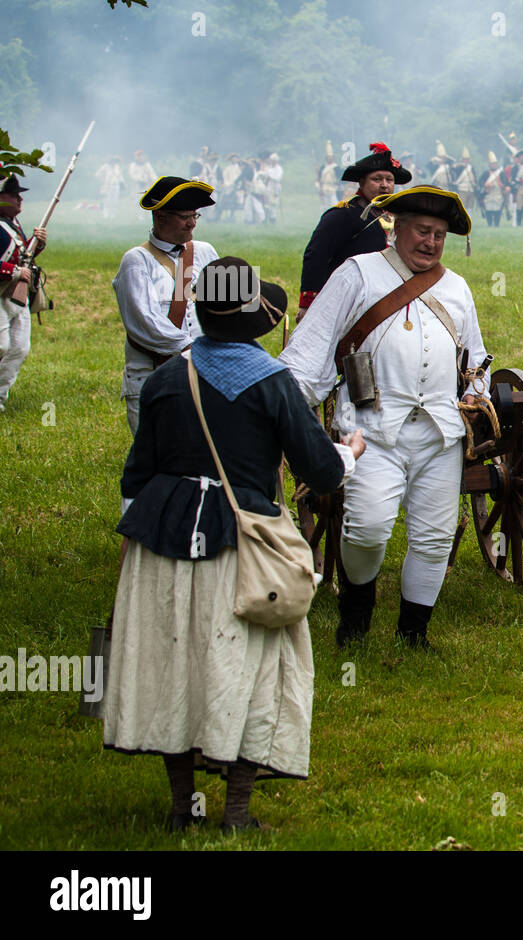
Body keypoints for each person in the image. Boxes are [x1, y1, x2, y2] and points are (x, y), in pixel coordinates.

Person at [103, 258, 362, 832]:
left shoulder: (166, 380)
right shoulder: (274, 383)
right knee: (253, 670)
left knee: (174, 667)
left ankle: (182, 809)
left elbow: (137, 476)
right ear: (254, 319)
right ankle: (236, 813)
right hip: (243, 546)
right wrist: (350, 453)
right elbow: (320, 472)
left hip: (164, 539)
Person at [280, 187, 487, 649]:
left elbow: (475, 359)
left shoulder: (456, 287)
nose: (431, 242)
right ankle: (356, 615)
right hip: (370, 431)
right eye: (422, 231)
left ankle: (413, 634)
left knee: (434, 538)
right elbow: (311, 349)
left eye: (439, 235)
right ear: (397, 228)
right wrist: (283, 408)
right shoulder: (357, 273)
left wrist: (478, 396)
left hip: (440, 434)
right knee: (367, 530)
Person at [113, 176, 221, 433]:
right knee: (157, 454)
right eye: (184, 217)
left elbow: (227, 307)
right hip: (154, 378)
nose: (192, 223)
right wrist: (196, 350)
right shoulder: (135, 260)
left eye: (195, 215)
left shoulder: (206, 251)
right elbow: (146, 324)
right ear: (160, 216)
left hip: (203, 377)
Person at [298, 142, 409, 317]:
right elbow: (317, 255)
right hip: (346, 297)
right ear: (362, 182)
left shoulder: (398, 217)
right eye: (377, 179)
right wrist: (308, 304)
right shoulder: (343, 213)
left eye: (389, 180)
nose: (384, 185)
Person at [0, 176, 47, 412]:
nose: (19, 199)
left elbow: (21, 256)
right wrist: (14, 271)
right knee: (1, 346)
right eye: (13, 195)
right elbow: (13, 265)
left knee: (19, 348)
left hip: (16, 295)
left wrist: (37, 244)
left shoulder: (12, 223)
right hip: (2, 293)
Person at [480, 152, 506, 227]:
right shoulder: (486, 173)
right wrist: (487, 185)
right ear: (489, 165)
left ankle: (497, 224)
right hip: (489, 194)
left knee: (497, 210)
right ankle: (489, 224)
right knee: (488, 209)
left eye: (495, 163)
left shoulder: (501, 173)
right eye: (492, 164)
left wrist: (500, 183)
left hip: (498, 194)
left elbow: (505, 183)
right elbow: (481, 183)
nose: (494, 165)